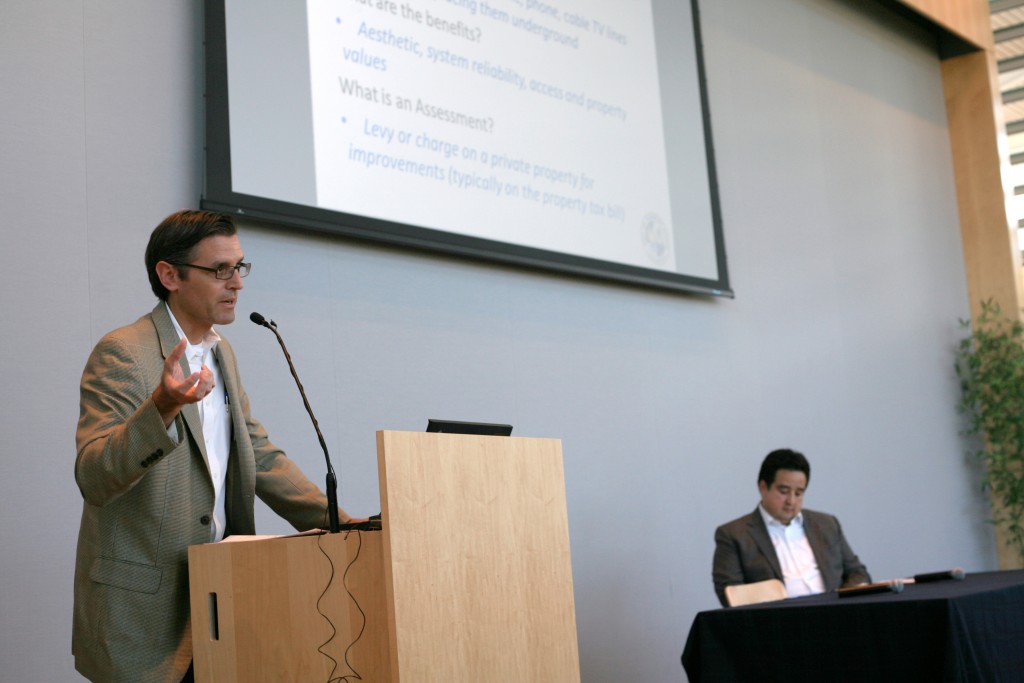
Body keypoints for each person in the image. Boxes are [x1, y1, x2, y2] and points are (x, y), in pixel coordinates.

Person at [73, 209, 359, 683]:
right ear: (170, 275)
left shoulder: (221, 351)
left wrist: (346, 526)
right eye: (219, 270)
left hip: (221, 597)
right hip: (145, 614)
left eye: (240, 267)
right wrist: (160, 409)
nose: (237, 283)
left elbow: (258, 454)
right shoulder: (123, 351)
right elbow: (95, 475)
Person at [712, 448, 870, 607]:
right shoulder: (734, 535)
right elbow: (730, 594)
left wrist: (843, 603)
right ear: (763, 487)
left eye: (799, 493)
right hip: (777, 623)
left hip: (834, 616)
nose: (791, 501)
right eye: (784, 491)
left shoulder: (827, 524)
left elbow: (858, 573)